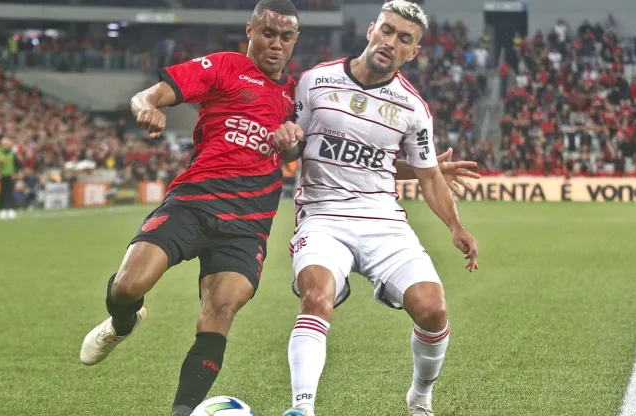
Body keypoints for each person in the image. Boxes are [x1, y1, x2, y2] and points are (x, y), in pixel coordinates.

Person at [79, 1, 302, 415]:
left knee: (221, 309)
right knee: (128, 285)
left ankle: (183, 411)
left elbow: (303, 147)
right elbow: (152, 93)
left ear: (295, 41)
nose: (276, 44)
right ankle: (123, 323)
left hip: (248, 222)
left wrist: (294, 139)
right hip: (195, 200)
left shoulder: (296, 94)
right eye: (268, 33)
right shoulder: (224, 66)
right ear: (251, 30)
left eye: (285, 36)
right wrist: (146, 105)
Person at [273, 2, 480, 415]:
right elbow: (295, 146)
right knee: (316, 297)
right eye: (387, 30)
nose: (391, 41)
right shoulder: (316, 81)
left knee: (434, 309)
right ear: (371, 30)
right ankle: (302, 409)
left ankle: (420, 398)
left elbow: (426, 176)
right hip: (322, 217)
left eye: (405, 38)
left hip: (383, 222)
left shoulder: (413, 109)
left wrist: (456, 226)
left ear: (413, 52)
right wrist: (289, 140)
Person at [0, 137, 22, 220]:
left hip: (10, 176)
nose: (5, 145)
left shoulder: (12, 153)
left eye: (7, 144)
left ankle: (11, 209)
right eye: (4, 144)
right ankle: (3, 210)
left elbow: (18, 164)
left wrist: (15, 173)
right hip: (1, 175)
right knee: (2, 193)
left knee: (10, 193)